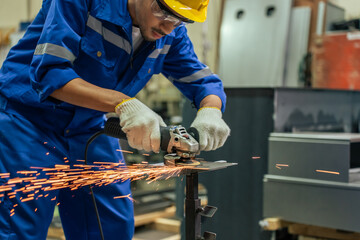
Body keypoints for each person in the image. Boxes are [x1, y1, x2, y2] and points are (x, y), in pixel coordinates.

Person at [0, 0, 230, 239]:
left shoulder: (170, 33)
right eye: (163, 12)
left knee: (111, 226)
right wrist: (122, 103)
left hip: (88, 126)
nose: (168, 27)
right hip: (27, 122)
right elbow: (49, 74)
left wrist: (210, 111)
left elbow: (204, 82)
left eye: (180, 19)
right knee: (20, 227)